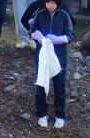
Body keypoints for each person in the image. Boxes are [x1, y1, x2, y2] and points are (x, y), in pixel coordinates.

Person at [30, 0, 73, 129]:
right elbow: (31, 30)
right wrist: (37, 36)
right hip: (42, 56)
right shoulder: (40, 14)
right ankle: (42, 114)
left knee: (59, 87)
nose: (50, 5)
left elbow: (70, 35)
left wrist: (58, 39)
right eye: (48, 2)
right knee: (41, 85)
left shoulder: (64, 15)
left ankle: (60, 115)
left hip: (59, 57)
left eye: (53, 3)